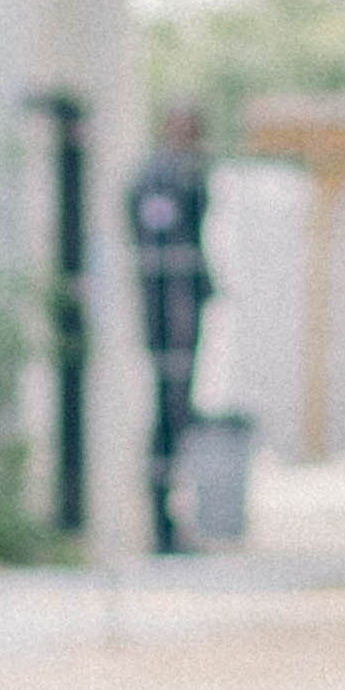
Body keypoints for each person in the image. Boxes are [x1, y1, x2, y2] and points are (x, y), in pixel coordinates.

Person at [124, 99, 216, 552]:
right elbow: (162, 253)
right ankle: (161, 524)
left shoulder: (183, 174)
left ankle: (170, 520)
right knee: (168, 410)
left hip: (180, 309)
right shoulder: (158, 178)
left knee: (176, 411)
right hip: (168, 313)